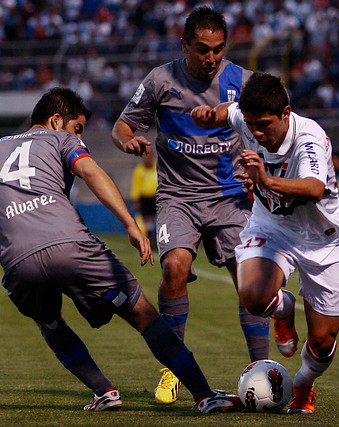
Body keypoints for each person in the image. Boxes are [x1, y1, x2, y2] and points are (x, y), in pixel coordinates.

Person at [0, 87, 241, 414]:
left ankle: (104, 391)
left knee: (48, 320)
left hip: (20, 262)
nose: (79, 136)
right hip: (72, 246)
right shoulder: (62, 140)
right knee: (142, 313)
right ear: (55, 120)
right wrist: (130, 224)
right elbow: (92, 172)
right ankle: (204, 394)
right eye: (77, 127)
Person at [111, 6, 269, 404]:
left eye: (218, 49)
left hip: (230, 197)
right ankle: (173, 369)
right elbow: (122, 125)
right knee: (174, 267)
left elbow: (268, 130)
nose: (210, 57)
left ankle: (265, 373)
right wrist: (127, 141)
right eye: (202, 48)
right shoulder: (160, 80)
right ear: (184, 44)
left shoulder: (243, 83)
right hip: (178, 196)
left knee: (250, 285)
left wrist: (259, 165)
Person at [191, 72, 339, 414]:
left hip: (321, 239)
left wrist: (264, 178)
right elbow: (229, 111)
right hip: (272, 226)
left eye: (265, 125)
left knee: (322, 342)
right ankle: (282, 308)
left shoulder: (308, 139)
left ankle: (303, 385)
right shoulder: (249, 119)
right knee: (252, 296)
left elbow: (312, 188)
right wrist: (209, 113)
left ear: (286, 113)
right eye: (252, 126)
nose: (258, 133)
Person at [130, 150, 157, 239]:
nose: (147, 159)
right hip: (145, 198)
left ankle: (157, 234)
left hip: (156, 197)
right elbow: (136, 185)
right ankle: (149, 234)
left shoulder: (157, 169)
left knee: (157, 217)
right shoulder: (139, 170)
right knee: (147, 218)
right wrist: (136, 199)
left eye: (149, 157)